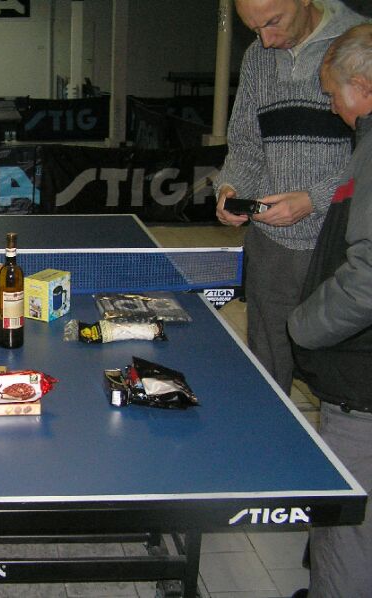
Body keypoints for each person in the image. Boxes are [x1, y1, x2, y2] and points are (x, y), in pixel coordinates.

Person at [213, 0, 366, 394]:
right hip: (272, 248)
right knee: (268, 369)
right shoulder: (258, 57)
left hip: (341, 244)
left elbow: (368, 156)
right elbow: (246, 144)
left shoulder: (360, 44)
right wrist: (231, 188)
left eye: (274, 22)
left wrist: (313, 199)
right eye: (255, 29)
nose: (266, 40)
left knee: (340, 375)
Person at [288, 23, 372, 597]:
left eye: (333, 93)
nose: (333, 107)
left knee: (347, 527)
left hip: (361, 386)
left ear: (362, 87)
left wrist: (303, 325)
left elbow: (367, 280)